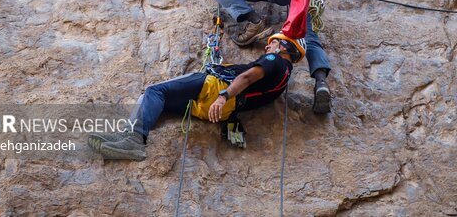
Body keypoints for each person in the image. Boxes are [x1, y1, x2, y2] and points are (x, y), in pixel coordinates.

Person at [88, 33, 304, 160]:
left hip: (214, 90)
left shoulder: (274, 60)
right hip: (219, 111)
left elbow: (247, 78)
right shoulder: (283, 79)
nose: (268, 46)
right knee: (156, 101)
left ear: (284, 47)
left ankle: (133, 139)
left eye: (273, 42)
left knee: (155, 91)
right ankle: (125, 139)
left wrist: (223, 96)